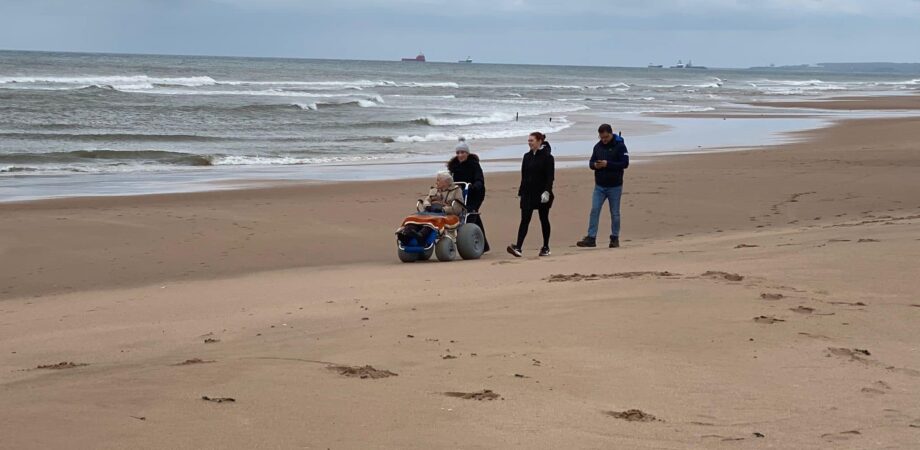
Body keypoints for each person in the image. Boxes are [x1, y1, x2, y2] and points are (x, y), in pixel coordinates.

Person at [576, 123, 629, 249]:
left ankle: (614, 238)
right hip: (599, 186)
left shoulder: (620, 146)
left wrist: (607, 164)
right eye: (601, 137)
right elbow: (591, 163)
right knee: (594, 210)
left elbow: (625, 163)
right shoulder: (597, 147)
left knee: (615, 213)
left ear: (611, 134)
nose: (604, 140)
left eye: (606, 137)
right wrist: (595, 165)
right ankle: (591, 238)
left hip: (615, 186)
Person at [507, 132, 554, 257]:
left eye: (531, 140)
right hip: (528, 193)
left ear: (539, 141)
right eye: (528, 141)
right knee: (525, 219)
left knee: (544, 219)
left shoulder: (548, 157)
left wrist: (547, 191)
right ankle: (518, 247)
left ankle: (546, 247)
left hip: (542, 193)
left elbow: (550, 177)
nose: (529, 143)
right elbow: (524, 176)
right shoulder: (526, 156)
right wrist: (521, 191)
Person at [447, 138, 489, 252]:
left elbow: (480, 179)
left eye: (462, 152)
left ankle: (470, 242)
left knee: (470, 214)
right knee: (474, 215)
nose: (460, 155)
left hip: (475, 193)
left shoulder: (474, 165)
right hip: (460, 194)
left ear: (467, 153)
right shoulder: (454, 166)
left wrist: (475, 185)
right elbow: (451, 180)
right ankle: (484, 245)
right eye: (458, 153)